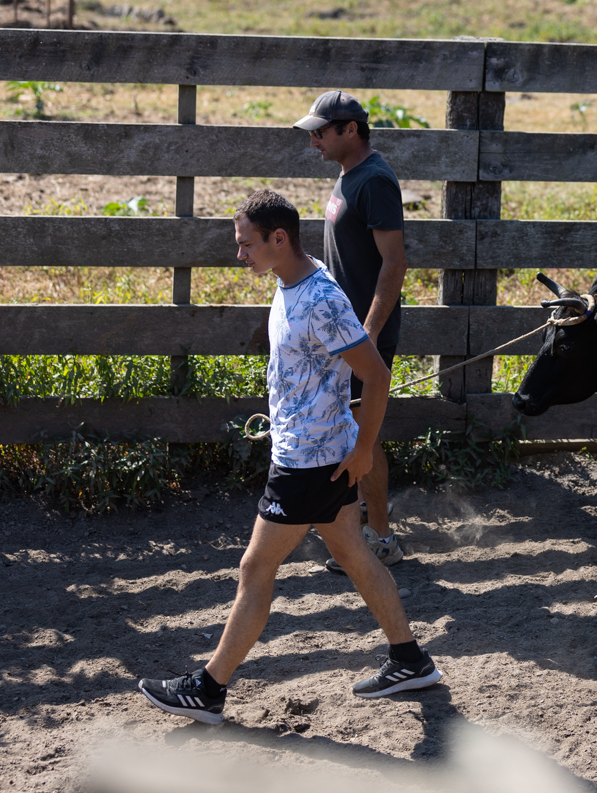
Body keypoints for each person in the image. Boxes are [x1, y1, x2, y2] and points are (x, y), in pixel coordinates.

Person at [137, 191, 440, 725]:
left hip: (309, 463)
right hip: (316, 451)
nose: (239, 255)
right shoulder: (291, 279)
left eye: (246, 244)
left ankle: (209, 688)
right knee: (353, 554)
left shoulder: (320, 298)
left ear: (279, 238)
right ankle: (410, 660)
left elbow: (376, 375)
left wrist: (364, 451)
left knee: (255, 567)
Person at [294, 90, 408, 573]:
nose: (314, 141)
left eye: (321, 132)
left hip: (363, 334)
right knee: (350, 428)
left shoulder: (374, 181)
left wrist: (369, 334)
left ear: (350, 130)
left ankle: (381, 538)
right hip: (343, 331)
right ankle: (359, 519)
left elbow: (394, 264)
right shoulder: (349, 175)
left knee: (365, 432)